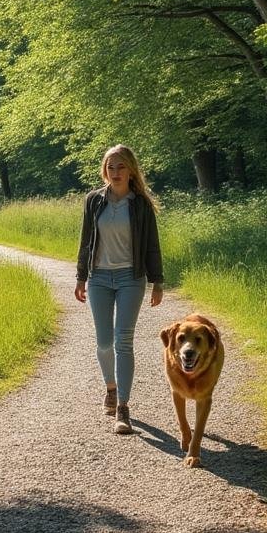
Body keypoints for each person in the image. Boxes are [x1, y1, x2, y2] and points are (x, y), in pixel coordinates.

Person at [73, 144, 163, 435]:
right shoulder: (93, 200)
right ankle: (110, 388)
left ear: (131, 170)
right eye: (110, 167)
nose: (115, 172)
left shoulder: (141, 205)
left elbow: (151, 245)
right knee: (104, 342)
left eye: (121, 166)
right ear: (105, 171)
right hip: (99, 278)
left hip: (130, 278)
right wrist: (81, 277)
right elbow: (86, 241)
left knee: (123, 341)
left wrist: (157, 281)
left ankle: (123, 407)